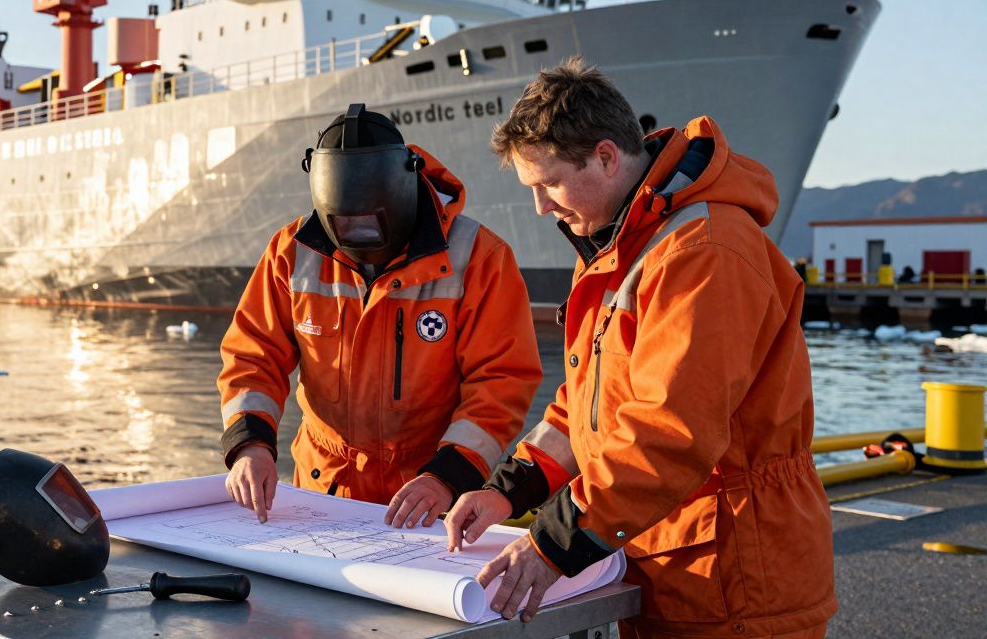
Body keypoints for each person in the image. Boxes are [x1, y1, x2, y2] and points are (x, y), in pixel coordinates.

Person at [445, 58, 836, 637]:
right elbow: (587, 410)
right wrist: (507, 491)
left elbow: (670, 429)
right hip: (670, 557)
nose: (541, 208)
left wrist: (553, 542)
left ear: (605, 157)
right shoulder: (629, 248)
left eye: (548, 183)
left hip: (734, 578)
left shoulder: (703, 251)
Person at [218, 104, 541, 529]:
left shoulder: (481, 258)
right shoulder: (291, 252)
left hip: (431, 502)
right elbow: (253, 356)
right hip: (323, 498)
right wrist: (250, 445)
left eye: (371, 225)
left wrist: (448, 475)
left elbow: (501, 382)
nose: (360, 238)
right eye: (345, 227)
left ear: (404, 190)